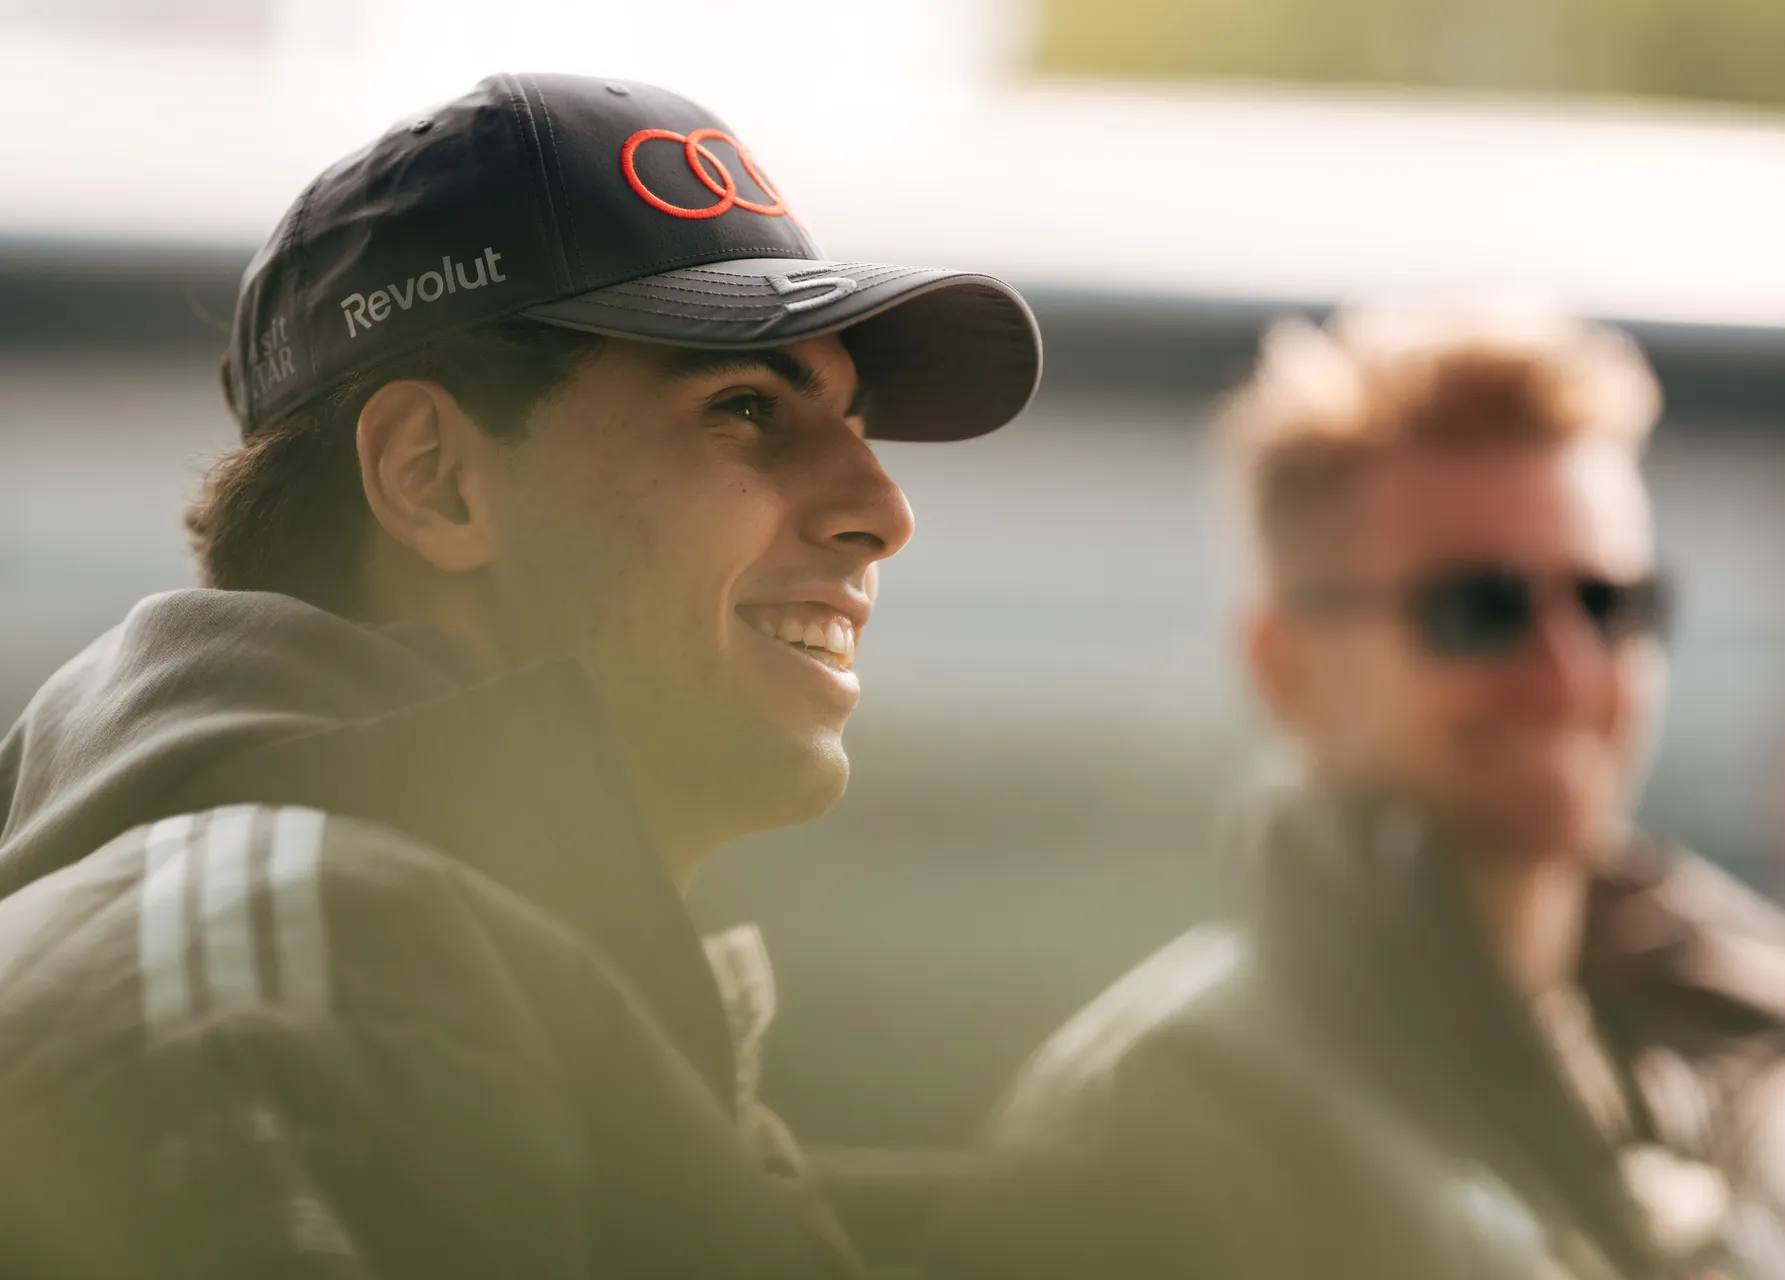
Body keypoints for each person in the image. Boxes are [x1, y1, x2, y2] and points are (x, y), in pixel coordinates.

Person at [0, 73, 1039, 1277]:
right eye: (748, 406)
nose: (883, 509)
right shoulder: (307, 979)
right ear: (436, 478)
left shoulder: (394, 965)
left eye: (854, 421)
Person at [931, 306, 1785, 1279]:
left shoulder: (1735, 1079)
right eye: (1483, 607)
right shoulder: (1158, 1124)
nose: (1570, 667)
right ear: (1286, 667)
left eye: (1612, 601)